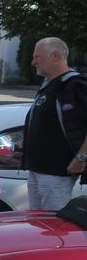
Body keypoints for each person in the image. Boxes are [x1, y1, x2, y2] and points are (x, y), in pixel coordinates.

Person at [23, 36, 87, 210]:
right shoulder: (48, 85)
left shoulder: (75, 85)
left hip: (57, 172)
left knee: (51, 223)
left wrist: (81, 157)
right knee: (36, 221)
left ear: (55, 56)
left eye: (37, 57)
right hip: (37, 169)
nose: (33, 62)